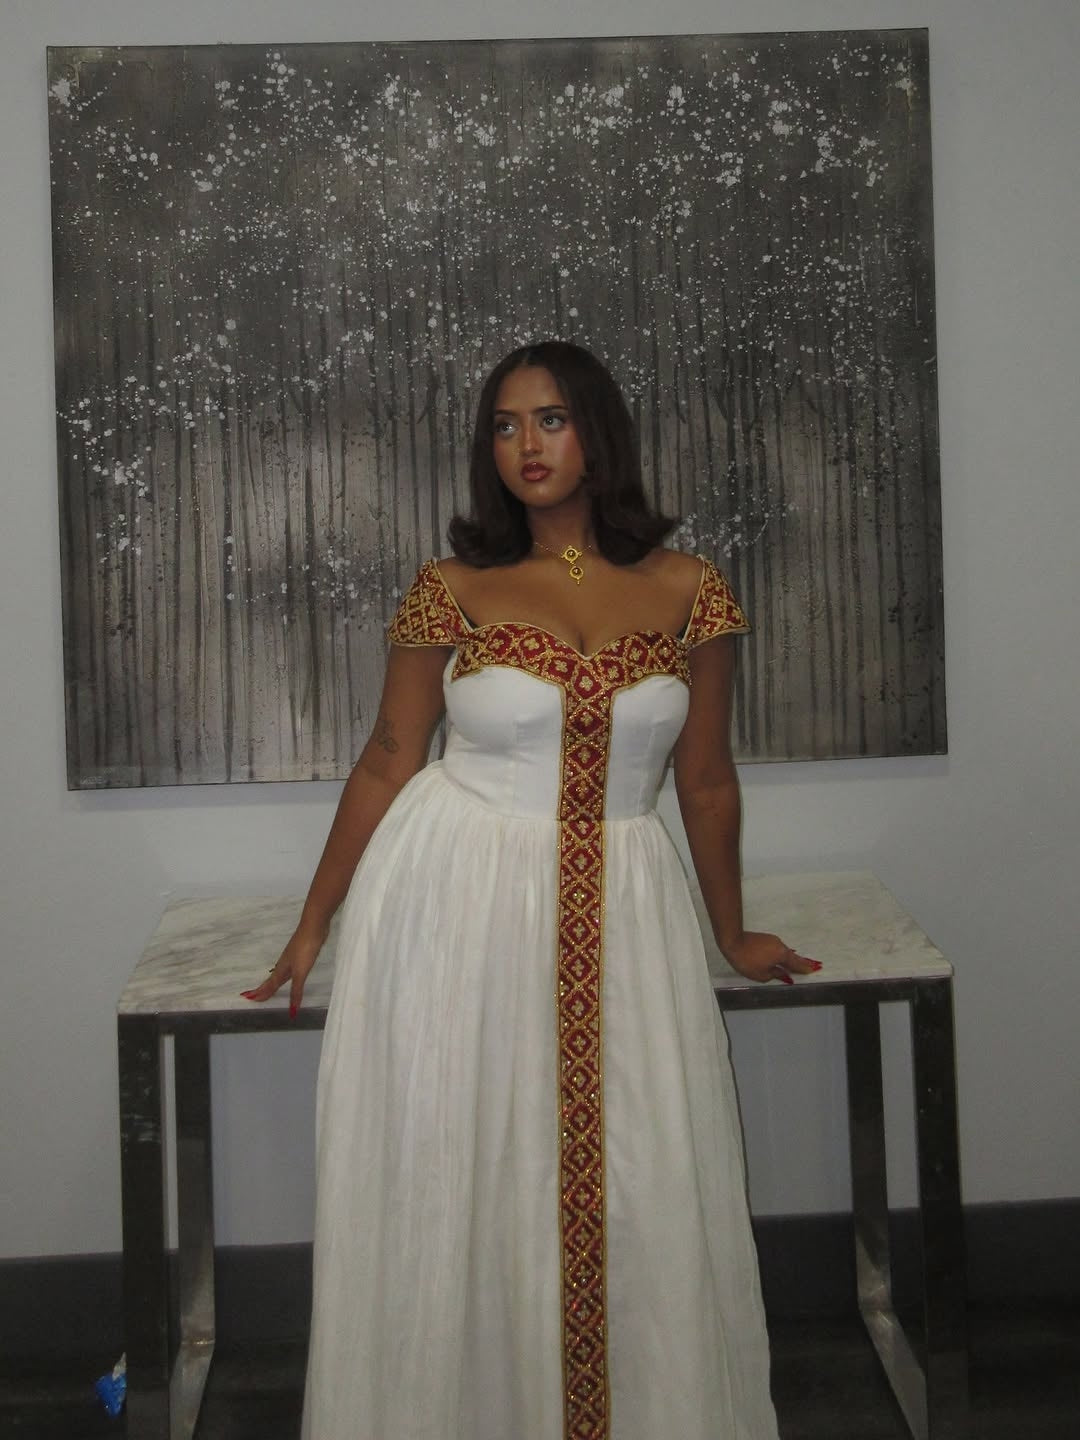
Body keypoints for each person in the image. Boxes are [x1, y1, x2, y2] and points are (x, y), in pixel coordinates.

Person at [243, 340, 819, 1440]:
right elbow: (385, 756)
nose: (526, 447)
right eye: (504, 427)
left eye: (549, 420)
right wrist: (314, 922)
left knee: (641, 1171)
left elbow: (703, 778)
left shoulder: (690, 590)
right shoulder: (452, 590)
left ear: (598, 430)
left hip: (631, 904)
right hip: (459, 906)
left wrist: (733, 932)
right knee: (468, 1164)